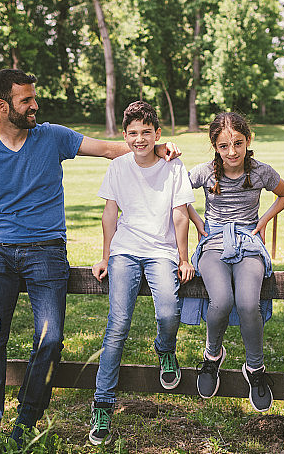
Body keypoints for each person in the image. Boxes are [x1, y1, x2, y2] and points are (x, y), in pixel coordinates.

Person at [0, 69, 180, 453]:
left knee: (51, 339)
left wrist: (154, 148)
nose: (35, 105)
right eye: (26, 100)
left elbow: (111, 149)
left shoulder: (52, 136)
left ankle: (26, 419)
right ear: (2, 106)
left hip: (47, 251)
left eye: (33, 97)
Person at [87, 101, 196, 446]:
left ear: (157, 134)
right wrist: (105, 256)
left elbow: (180, 214)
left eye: (146, 133)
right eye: (132, 133)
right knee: (117, 325)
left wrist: (183, 257)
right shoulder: (118, 166)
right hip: (125, 251)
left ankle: (165, 349)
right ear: (125, 135)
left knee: (168, 312)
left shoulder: (173, 166)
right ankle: (102, 404)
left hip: (161, 252)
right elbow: (109, 215)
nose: (139, 139)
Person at [183, 112, 284, 412]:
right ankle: (212, 357)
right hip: (214, 243)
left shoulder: (259, 172)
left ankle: (255, 369)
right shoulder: (205, 172)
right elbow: (175, 191)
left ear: (248, 140)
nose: (232, 152)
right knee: (221, 301)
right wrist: (197, 221)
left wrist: (264, 221)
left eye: (238, 143)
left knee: (247, 303)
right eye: (223, 146)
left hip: (248, 243)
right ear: (215, 147)